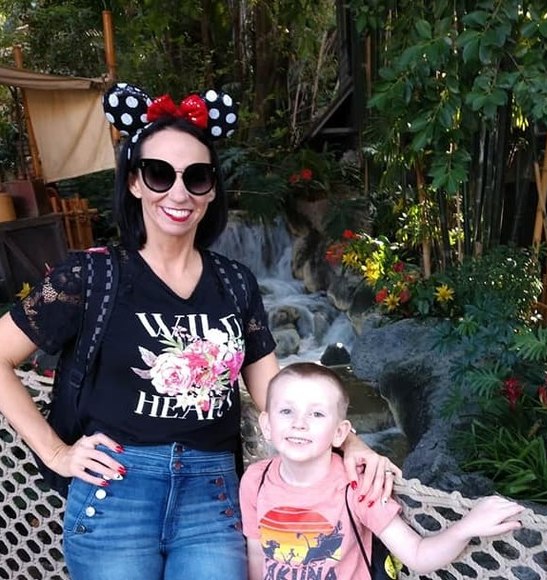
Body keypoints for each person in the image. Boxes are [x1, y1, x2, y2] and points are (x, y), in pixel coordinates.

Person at [0, 83, 398, 580]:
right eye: (159, 173)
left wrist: (348, 443)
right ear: (134, 182)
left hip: (212, 493)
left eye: (197, 176)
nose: (179, 192)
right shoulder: (91, 276)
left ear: (212, 189)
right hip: (116, 490)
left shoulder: (235, 283)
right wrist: (56, 452)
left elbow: (280, 394)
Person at [240, 362, 525, 579]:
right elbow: (257, 556)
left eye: (316, 414)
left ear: (340, 433)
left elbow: (416, 554)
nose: (299, 423)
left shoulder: (359, 485)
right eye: (286, 411)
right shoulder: (256, 480)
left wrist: (467, 527)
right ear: (266, 425)